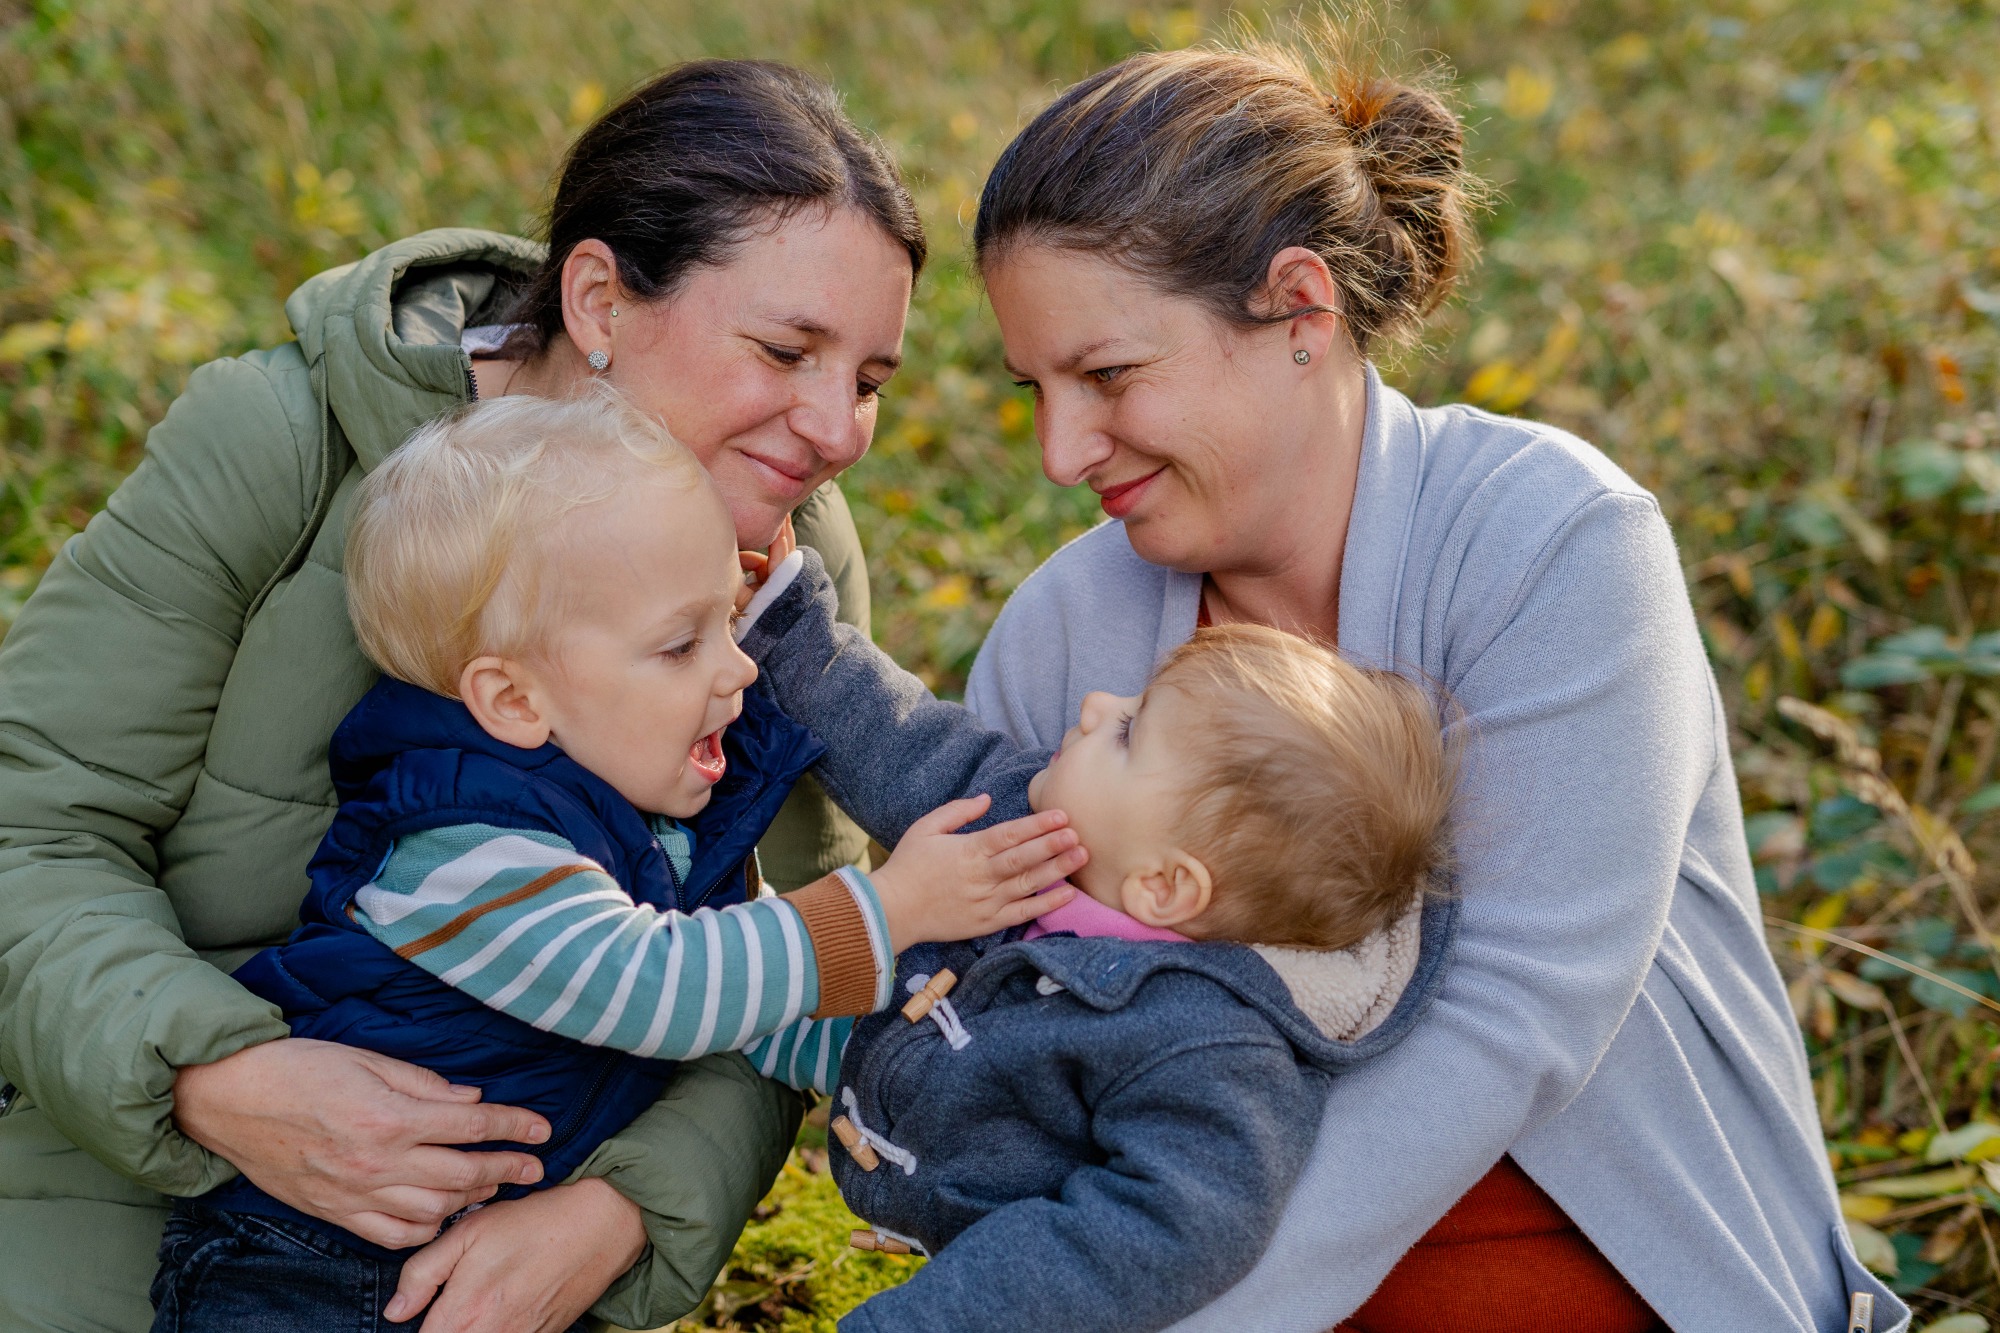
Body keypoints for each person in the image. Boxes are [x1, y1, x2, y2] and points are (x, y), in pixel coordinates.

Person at [959, 38, 1905, 1333]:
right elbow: (989, 1025)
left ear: (1301, 311)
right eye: (1036, 390)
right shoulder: (1060, 635)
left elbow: (1516, 1024)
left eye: (1108, 376)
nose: (1061, 451)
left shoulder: (1550, 541)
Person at [0, 59, 925, 1333]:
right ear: (597, 298)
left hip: (515, 1234)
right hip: (140, 1177)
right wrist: (210, 1079)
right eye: (784, 350)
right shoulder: (285, 441)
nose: (834, 431)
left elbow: (791, 958)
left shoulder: (791, 555)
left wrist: (622, 1211)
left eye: (868, 381)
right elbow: (30, 825)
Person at [150, 390, 1083, 1332]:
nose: (740, 669)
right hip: (302, 1266)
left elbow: (759, 1011)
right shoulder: (462, 844)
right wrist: (887, 910)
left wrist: (961, 1060)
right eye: (681, 645)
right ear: (515, 700)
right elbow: (658, 988)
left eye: (729, 621)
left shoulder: (646, 832)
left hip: (476, 1268)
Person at [728, 542, 1459, 1332]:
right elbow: (908, 745)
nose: (1096, 705)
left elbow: (1148, 1235)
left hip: (998, 1294)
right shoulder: (1041, 828)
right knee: (731, 986)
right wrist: (785, 630)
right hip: (890, 1076)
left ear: (1165, 886)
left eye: (1129, 731)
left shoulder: (1208, 1047)